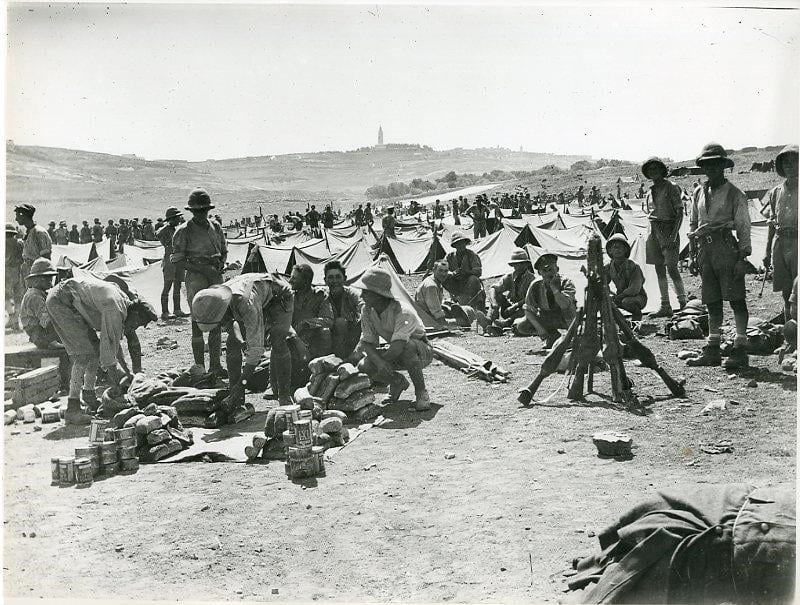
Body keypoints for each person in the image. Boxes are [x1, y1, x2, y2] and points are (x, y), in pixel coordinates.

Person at [564, 483, 795, 605]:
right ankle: (613, 558)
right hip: (754, 506)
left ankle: (615, 564)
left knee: (660, 559)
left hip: (752, 544)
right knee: (660, 508)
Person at [46, 271, 157, 425]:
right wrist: (116, 380)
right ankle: (73, 409)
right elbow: (108, 348)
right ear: (136, 313)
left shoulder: (122, 305)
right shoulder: (115, 309)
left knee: (94, 351)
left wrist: (126, 371)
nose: (134, 328)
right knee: (83, 355)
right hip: (61, 301)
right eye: (137, 323)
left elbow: (113, 345)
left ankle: (89, 395)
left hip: (70, 301)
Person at [687, 143, 752, 370]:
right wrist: (694, 253)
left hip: (726, 247)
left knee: (735, 299)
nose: (712, 168)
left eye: (716, 164)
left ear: (724, 166)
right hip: (705, 248)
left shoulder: (735, 193)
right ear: (703, 167)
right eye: (707, 164)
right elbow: (694, 222)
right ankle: (713, 349)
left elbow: (743, 225)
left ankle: (740, 349)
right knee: (712, 301)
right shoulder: (698, 192)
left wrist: (742, 256)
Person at [191, 272, 295, 412]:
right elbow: (229, 323)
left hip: (278, 296)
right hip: (254, 295)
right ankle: (236, 397)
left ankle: (284, 396)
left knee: (278, 341)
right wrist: (240, 340)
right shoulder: (214, 300)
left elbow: (255, 352)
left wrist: (243, 383)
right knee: (232, 344)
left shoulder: (246, 303)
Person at [356, 267, 433, 411]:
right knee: (364, 365)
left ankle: (421, 393)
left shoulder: (402, 311)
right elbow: (367, 342)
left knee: (408, 347)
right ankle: (396, 382)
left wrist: (380, 362)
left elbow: (398, 346)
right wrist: (378, 362)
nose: (361, 296)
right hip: (394, 351)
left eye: (365, 292)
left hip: (421, 352)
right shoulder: (367, 310)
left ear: (377, 294)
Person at [171, 188, 228, 376]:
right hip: (196, 276)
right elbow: (178, 259)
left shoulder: (216, 227)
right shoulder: (184, 231)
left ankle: (215, 365)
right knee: (197, 321)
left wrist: (220, 264)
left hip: (215, 274)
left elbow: (224, 249)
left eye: (204, 210)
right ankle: (199, 367)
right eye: (197, 211)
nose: (201, 213)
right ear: (192, 211)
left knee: (217, 319)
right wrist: (202, 268)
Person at [642, 157, 687, 316]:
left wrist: (673, 236)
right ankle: (665, 305)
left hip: (668, 229)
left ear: (662, 170)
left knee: (672, 268)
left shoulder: (671, 187)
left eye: (656, 168)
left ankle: (683, 304)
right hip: (654, 231)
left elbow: (680, 212)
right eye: (650, 170)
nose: (653, 172)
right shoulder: (650, 191)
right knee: (659, 268)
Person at [762, 144, 798, 323]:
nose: (790, 166)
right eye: (786, 164)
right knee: (786, 292)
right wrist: (767, 251)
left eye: (794, 162)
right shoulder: (775, 192)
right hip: (780, 243)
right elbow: (771, 223)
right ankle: (790, 335)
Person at [517, 253, 577, 347]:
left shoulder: (566, 282)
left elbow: (565, 305)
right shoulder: (535, 285)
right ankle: (551, 336)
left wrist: (554, 289)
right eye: (544, 271)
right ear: (539, 273)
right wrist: (541, 331)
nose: (548, 273)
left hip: (565, 318)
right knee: (522, 326)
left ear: (557, 269)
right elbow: (528, 309)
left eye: (551, 270)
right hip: (547, 316)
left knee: (570, 312)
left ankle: (572, 337)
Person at [290, 263, 333, 361]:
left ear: (305, 282)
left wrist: (306, 323)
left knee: (325, 331)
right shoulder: (290, 298)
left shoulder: (319, 296)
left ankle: (322, 365)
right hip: (294, 338)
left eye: (294, 278)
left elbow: (328, 320)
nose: (290, 281)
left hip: (313, 340)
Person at [487, 248, 536, 328]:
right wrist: (494, 303)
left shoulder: (532, 279)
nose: (518, 267)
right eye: (516, 264)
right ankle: (489, 320)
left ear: (526, 264)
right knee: (497, 296)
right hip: (509, 309)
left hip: (522, 310)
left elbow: (530, 297)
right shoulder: (510, 276)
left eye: (521, 264)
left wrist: (515, 306)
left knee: (527, 307)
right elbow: (493, 288)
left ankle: (506, 322)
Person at [324, 260, 362, 360]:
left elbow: (363, 306)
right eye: (330, 277)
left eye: (338, 277)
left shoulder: (352, 294)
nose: (334, 281)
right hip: (331, 338)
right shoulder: (323, 295)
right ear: (325, 280)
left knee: (341, 322)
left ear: (344, 279)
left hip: (351, 336)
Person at [19, 258, 60, 348]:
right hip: (41, 335)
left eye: (50, 277)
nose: (50, 280)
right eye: (45, 278)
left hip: (41, 332)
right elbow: (47, 320)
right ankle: (52, 343)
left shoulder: (40, 293)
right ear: (35, 280)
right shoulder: (35, 296)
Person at [605, 233, 647, 321]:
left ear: (625, 250)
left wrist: (620, 296)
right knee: (607, 301)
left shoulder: (633, 266)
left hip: (637, 297)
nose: (617, 250)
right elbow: (604, 282)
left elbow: (635, 288)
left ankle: (637, 316)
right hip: (620, 296)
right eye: (614, 247)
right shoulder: (609, 266)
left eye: (620, 247)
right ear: (610, 251)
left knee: (626, 302)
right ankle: (620, 322)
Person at [156, 206, 188, 319]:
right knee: (167, 286)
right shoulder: (165, 230)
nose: (179, 220)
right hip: (169, 262)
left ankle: (177, 309)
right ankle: (165, 312)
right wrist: (167, 226)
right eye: (176, 218)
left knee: (178, 285)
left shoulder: (177, 229)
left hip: (178, 261)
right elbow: (158, 234)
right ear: (171, 219)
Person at [444, 232, 485, 310]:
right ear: (455, 245)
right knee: (444, 278)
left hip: (469, 284)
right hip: (456, 284)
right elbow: (443, 269)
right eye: (458, 244)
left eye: (462, 243)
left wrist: (467, 273)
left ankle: (471, 303)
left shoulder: (472, 255)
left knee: (473, 278)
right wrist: (452, 273)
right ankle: (457, 298)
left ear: (466, 243)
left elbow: (478, 271)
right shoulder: (449, 256)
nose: (460, 246)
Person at [14, 204, 52, 280]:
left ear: (23, 215)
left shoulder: (39, 232)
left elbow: (46, 258)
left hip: (37, 273)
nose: (16, 219)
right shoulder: (28, 232)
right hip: (27, 271)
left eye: (17, 215)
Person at [415, 259, 452, 328]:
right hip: (426, 320)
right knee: (462, 320)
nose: (443, 274)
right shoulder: (431, 286)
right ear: (434, 270)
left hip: (427, 315)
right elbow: (438, 314)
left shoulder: (435, 281)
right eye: (440, 270)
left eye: (446, 271)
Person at [5, 223, 24, 329]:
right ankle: (16, 319)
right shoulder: (19, 243)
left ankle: (12, 318)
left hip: (6, 271)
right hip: (18, 271)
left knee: (5, 296)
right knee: (18, 296)